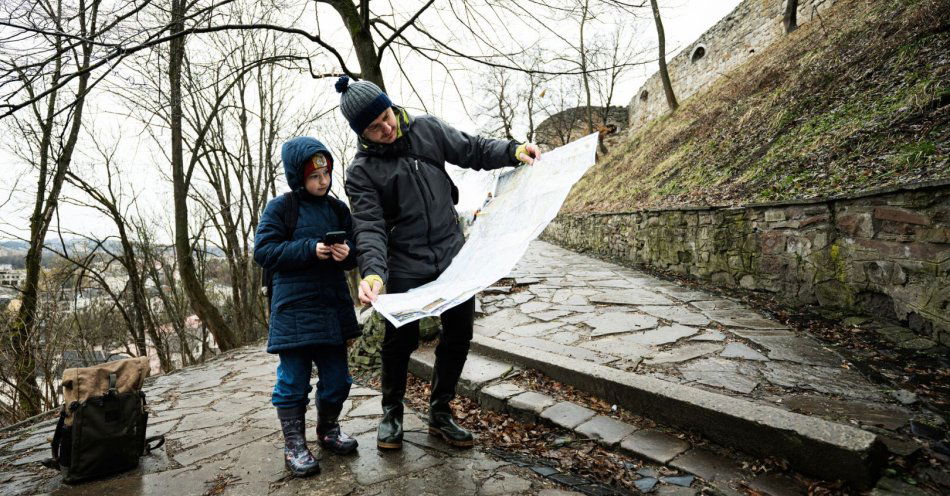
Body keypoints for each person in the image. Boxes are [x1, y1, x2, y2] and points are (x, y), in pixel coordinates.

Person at [337, 75, 541, 450]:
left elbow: (473, 150)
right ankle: (391, 413)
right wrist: (374, 274)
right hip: (403, 267)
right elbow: (369, 228)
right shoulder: (361, 171)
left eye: (386, 116)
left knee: (459, 334)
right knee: (400, 342)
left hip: (452, 257)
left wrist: (512, 150)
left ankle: (441, 413)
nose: (387, 128)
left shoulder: (426, 129)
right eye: (374, 127)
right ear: (360, 133)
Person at [253, 137, 361, 477]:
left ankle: (327, 430)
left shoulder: (337, 209)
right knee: (293, 384)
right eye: (315, 176)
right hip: (293, 310)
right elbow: (264, 251)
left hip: (332, 309)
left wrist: (349, 255)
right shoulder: (281, 208)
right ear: (299, 177)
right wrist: (308, 249)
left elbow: (357, 247)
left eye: (326, 173)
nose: (323, 181)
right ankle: (294, 445)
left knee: (338, 381)